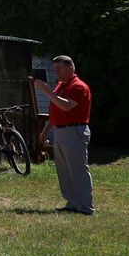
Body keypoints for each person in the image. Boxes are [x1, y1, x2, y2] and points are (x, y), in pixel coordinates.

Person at [36, 55, 93, 216]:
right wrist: (47, 129)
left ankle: (86, 206)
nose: (56, 73)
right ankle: (73, 203)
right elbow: (56, 110)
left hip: (74, 131)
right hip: (61, 130)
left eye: (58, 69)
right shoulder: (62, 86)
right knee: (64, 170)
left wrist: (46, 91)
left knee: (77, 169)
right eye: (55, 70)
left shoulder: (78, 87)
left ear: (70, 68)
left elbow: (66, 106)